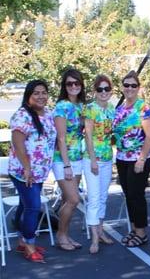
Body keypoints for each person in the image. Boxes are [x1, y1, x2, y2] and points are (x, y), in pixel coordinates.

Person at [8, 80, 57, 263]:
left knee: (25, 205)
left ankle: (22, 240)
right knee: (33, 207)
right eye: (36, 93)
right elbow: (18, 144)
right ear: (28, 96)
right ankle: (29, 244)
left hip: (40, 172)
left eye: (44, 92)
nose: (41, 96)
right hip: (24, 172)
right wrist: (27, 168)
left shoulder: (48, 114)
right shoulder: (22, 116)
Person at [113, 71, 150, 248]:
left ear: (139, 88)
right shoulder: (119, 109)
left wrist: (141, 159)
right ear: (122, 87)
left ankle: (141, 233)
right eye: (126, 85)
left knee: (137, 195)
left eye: (133, 85)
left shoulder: (143, 108)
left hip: (139, 158)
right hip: (122, 157)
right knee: (129, 195)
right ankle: (134, 228)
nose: (129, 88)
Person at [53, 68, 85, 251]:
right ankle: (61, 235)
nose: (73, 86)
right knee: (74, 199)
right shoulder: (61, 107)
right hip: (62, 160)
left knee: (68, 200)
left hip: (79, 158)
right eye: (69, 83)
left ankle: (66, 234)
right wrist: (66, 165)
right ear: (64, 86)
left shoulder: (81, 106)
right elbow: (61, 138)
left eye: (77, 83)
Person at [83, 74, 115, 254]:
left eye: (107, 89)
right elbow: (88, 135)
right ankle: (94, 238)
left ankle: (100, 232)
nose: (104, 92)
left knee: (103, 197)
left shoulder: (112, 109)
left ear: (111, 91)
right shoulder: (90, 109)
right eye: (100, 89)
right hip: (93, 159)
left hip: (107, 158)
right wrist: (93, 159)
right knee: (94, 198)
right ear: (95, 91)